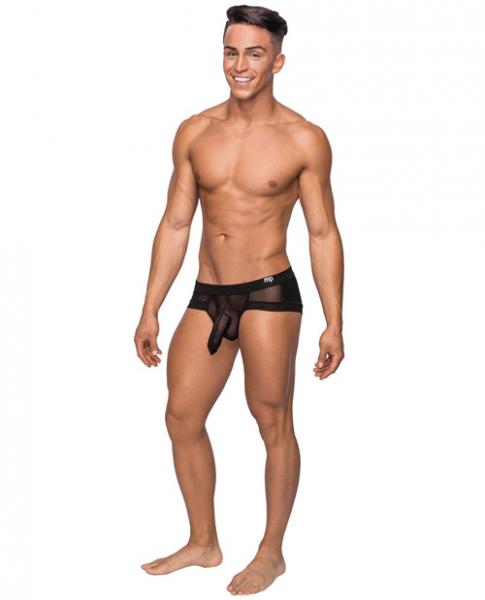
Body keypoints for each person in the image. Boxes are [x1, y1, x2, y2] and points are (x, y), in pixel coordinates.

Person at [134, 4, 345, 595]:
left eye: (255, 53)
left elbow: (322, 232)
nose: (241, 64)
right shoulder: (194, 131)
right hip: (208, 292)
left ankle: (271, 553)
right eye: (232, 51)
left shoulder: (303, 138)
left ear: (278, 61)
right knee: (181, 416)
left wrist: (334, 321)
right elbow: (176, 224)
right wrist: (150, 307)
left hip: (269, 292)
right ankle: (204, 541)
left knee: (272, 419)